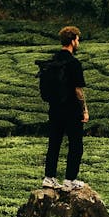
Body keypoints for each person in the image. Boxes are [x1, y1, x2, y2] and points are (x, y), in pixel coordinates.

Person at [42, 26, 89, 191]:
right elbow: (78, 90)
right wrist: (84, 110)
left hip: (54, 109)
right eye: (78, 40)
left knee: (54, 143)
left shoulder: (53, 60)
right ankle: (70, 180)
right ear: (73, 40)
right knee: (76, 145)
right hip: (71, 109)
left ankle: (49, 178)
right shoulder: (73, 63)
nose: (78, 43)